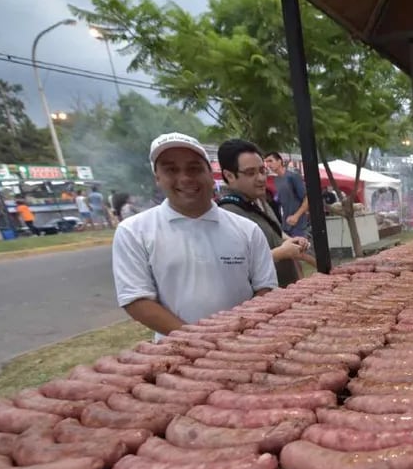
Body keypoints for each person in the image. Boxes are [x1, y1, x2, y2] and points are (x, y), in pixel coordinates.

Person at [112, 131, 277, 339]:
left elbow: (266, 287)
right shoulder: (133, 231)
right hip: (176, 353)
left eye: (194, 168)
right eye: (171, 170)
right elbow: (136, 300)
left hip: (245, 344)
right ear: (158, 178)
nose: (185, 178)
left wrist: (239, 331)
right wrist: (196, 338)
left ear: (210, 174)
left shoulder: (247, 229)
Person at [217, 139, 309, 288]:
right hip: (263, 302)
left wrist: (291, 239)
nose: (261, 178)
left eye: (262, 170)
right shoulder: (227, 213)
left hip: (287, 292)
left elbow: (275, 231)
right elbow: (237, 267)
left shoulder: (260, 200)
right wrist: (281, 252)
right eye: (250, 173)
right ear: (229, 176)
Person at [264, 151, 316, 268]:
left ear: (280, 161)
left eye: (270, 161)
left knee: (304, 254)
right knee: (292, 256)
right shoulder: (276, 180)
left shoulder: (293, 177)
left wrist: (297, 216)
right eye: (266, 162)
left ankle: (327, 272)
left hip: (299, 223)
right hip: (285, 224)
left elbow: (308, 198)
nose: (268, 164)